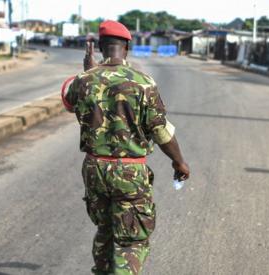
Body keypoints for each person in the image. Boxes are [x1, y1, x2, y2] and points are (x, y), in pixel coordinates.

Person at [63, 20, 190, 275]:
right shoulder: (143, 83)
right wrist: (178, 161)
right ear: (128, 47)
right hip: (129, 173)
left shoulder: (83, 80)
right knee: (131, 240)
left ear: (100, 47)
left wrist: (89, 71)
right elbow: (159, 129)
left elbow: (69, 101)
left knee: (105, 230)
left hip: (94, 169)